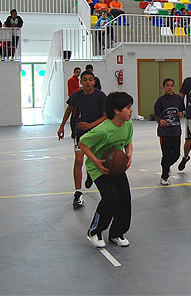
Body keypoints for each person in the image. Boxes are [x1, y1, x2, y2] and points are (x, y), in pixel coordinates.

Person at [79, 92, 134, 248]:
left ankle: (117, 233)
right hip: (99, 167)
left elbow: (128, 142)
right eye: (128, 107)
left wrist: (128, 153)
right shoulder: (103, 130)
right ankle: (95, 231)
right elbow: (83, 143)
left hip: (116, 166)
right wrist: (95, 161)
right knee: (110, 197)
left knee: (124, 197)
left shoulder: (128, 124)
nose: (131, 111)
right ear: (116, 110)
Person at [57, 70, 107, 209]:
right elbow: (69, 109)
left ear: (94, 81)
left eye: (90, 79)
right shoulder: (76, 96)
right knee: (78, 160)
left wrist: (91, 125)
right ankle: (78, 193)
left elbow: (106, 116)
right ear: (81, 82)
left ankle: (93, 177)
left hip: (97, 132)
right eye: (84, 79)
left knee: (97, 160)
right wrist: (62, 127)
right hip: (81, 132)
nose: (87, 82)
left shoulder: (100, 96)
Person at [154, 78, 185, 186]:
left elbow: (181, 110)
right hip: (164, 132)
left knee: (176, 154)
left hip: (176, 131)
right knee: (166, 154)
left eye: (171, 85)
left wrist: (181, 113)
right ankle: (165, 175)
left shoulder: (178, 99)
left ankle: (165, 166)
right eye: (167, 85)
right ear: (164, 87)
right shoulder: (160, 101)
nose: (169, 87)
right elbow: (156, 116)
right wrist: (160, 120)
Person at [67, 66, 82, 139]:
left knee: (76, 116)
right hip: (74, 100)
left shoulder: (77, 80)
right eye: (77, 72)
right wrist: (79, 89)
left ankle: (74, 132)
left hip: (77, 99)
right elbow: (71, 91)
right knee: (74, 116)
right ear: (74, 72)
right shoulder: (71, 80)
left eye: (79, 72)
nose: (78, 73)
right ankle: (73, 132)